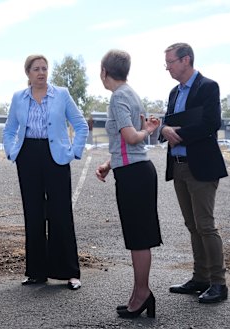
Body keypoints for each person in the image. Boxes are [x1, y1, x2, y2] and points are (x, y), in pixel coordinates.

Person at [3, 54, 89, 290]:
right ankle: (36, 272)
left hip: (56, 158)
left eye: (44, 68)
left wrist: (73, 152)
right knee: (33, 213)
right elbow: (10, 129)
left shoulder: (61, 94)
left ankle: (69, 272)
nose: (41, 73)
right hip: (28, 155)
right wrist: (12, 152)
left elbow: (80, 125)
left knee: (61, 213)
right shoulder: (18, 98)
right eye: (36, 69)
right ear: (28, 73)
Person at [94, 49, 162, 318]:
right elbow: (125, 144)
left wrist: (148, 131)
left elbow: (132, 137)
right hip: (134, 169)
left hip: (135, 175)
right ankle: (138, 293)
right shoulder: (131, 94)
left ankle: (143, 294)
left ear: (104, 72)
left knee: (139, 239)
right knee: (138, 238)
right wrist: (109, 164)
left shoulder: (119, 97)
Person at [159, 43, 229, 303]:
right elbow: (166, 122)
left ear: (186, 60)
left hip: (201, 167)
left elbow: (211, 123)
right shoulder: (173, 92)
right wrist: (163, 129)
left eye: (170, 62)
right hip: (178, 167)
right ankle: (200, 278)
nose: (167, 67)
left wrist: (176, 134)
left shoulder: (208, 86)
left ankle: (219, 284)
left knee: (206, 226)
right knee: (192, 225)